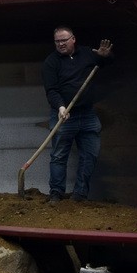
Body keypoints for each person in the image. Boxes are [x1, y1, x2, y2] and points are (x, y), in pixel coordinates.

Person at [41, 26, 114, 204]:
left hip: (88, 114)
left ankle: (80, 195)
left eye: (64, 40)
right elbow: (51, 90)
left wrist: (105, 56)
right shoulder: (51, 62)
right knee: (59, 156)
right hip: (64, 115)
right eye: (57, 41)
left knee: (90, 154)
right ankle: (56, 194)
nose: (60, 44)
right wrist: (60, 107)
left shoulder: (88, 54)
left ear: (73, 39)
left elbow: (105, 63)